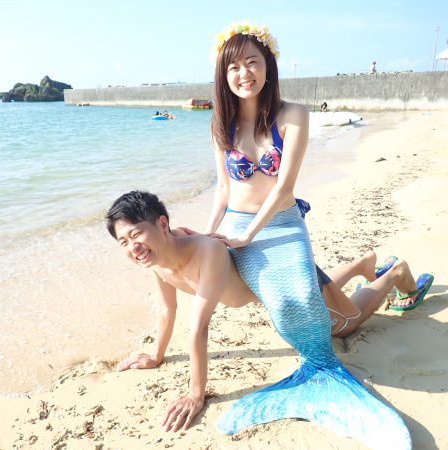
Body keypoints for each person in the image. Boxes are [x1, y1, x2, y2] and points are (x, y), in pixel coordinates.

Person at [201, 21, 412, 448]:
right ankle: (362, 265)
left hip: (280, 224)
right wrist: (210, 235)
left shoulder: (293, 114)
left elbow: (284, 188)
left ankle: (392, 275)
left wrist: (247, 238)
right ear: (223, 76)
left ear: (268, 65)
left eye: (252, 62)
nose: (244, 73)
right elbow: (223, 188)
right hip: (237, 225)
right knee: (292, 305)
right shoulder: (221, 124)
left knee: (335, 324)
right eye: (233, 67)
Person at [106, 191, 428, 448]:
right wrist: (156, 355)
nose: (134, 247)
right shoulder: (158, 260)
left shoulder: (206, 252)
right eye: (124, 242)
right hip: (272, 290)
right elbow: (167, 310)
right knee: (326, 301)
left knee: (344, 327)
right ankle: (361, 265)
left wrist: (195, 393)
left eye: (137, 234)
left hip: (283, 285)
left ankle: (394, 274)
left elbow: (199, 326)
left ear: (162, 224)